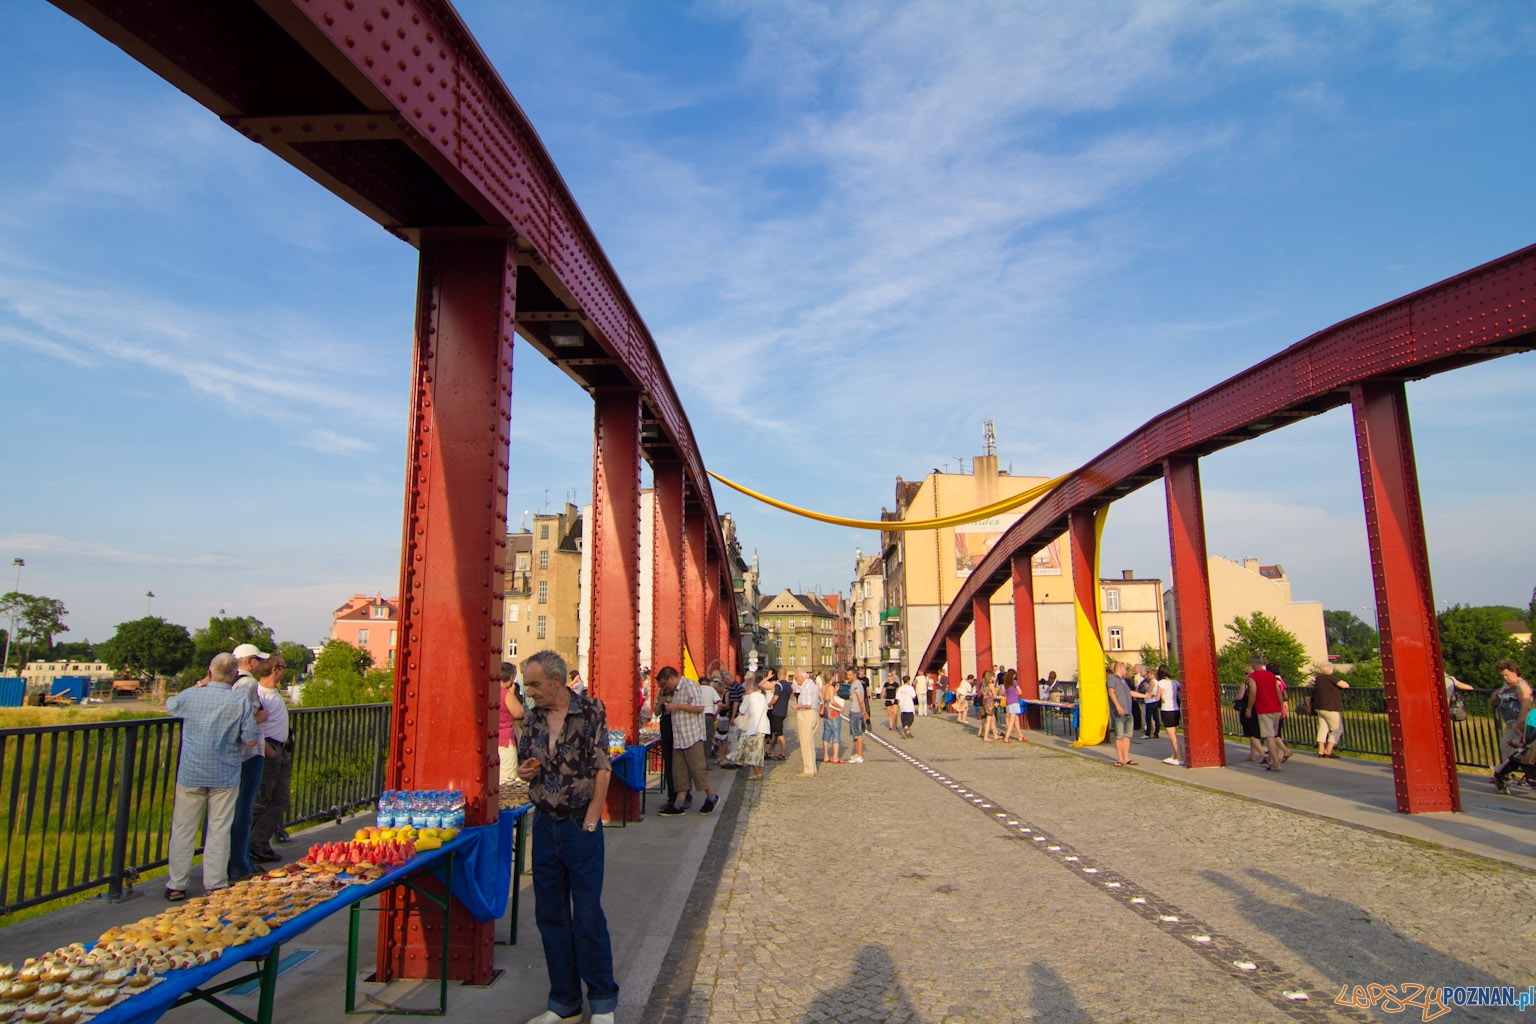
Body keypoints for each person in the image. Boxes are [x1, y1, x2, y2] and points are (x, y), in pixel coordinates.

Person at [516, 650, 618, 1024]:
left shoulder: (590, 711)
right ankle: (564, 1003)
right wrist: (525, 771)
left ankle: (603, 1002)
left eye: (535, 685)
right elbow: (525, 759)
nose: (529, 692)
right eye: (527, 685)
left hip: (579, 825)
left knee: (587, 915)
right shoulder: (533, 717)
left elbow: (602, 767)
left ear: (556, 681)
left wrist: (592, 818)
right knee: (550, 916)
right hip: (545, 824)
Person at [164, 654, 259, 900]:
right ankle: (215, 883)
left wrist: (199, 684)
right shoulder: (239, 702)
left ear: (209, 672)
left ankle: (177, 883)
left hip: (192, 771)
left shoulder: (191, 696)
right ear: (234, 675)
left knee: (183, 828)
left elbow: (170, 706)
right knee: (219, 828)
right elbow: (250, 740)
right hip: (225, 773)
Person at [227, 642, 269, 881]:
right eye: (258, 660)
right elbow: (241, 715)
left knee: (228, 811)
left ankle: (229, 860)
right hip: (249, 753)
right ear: (250, 662)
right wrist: (260, 717)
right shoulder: (248, 683)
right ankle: (240, 863)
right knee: (244, 810)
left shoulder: (228, 682)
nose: (260, 664)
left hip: (230, 754)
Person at [247, 655, 294, 864]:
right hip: (270, 750)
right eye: (283, 667)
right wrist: (267, 749)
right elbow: (253, 723)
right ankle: (253, 845)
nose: (285, 671)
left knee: (281, 798)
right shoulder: (258, 693)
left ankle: (259, 842)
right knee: (263, 799)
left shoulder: (274, 692)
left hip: (281, 749)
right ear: (276, 669)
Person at [657, 668, 717, 815]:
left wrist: (677, 706)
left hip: (692, 736)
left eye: (664, 684)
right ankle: (678, 804)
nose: (664, 688)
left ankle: (711, 797)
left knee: (698, 770)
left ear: (671, 679)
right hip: (679, 738)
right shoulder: (674, 691)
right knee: (680, 773)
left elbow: (699, 707)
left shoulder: (690, 685)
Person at [728, 677, 773, 780]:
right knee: (757, 751)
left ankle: (757, 773)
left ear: (748, 689)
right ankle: (758, 772)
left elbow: (742, 710)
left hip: (753, 728)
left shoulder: (749, 698)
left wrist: (744, 699)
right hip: (762, 727)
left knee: (751, 751)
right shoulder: (761, 696)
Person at [1247, 657, 1286, 771]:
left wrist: (1249, 708)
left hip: (1263, 709)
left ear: (1253, 664)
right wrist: (1280, 706)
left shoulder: (1253, 677)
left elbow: (1253, 692)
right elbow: (1279, 692)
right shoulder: (1271, 676)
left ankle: (1275, 763)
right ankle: (1272, 759)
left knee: (1269, 737)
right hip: (1276, 708)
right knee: (1274, 735)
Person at [1492, 659, 1533, 769]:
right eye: (1503, 676)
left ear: (1514, 672)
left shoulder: (1521, 687)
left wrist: (1520, 724)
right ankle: (1505, 772)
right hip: (1510, 723)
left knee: (1519, 749)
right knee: (1506, 747)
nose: (1505, 678)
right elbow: (1502, 691)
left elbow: (1526, 706)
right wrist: (1495, 694)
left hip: (1518, 722)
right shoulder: (1507, 685)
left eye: (1507, 675)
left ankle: (1508, 771)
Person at [496, 662, 527, 788]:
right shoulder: (505, 694)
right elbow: (519, 712)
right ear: (511, 678)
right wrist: (513, 694)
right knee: (507, 777)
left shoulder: (489, 691)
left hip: (492, 740)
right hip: (505, 739)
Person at [1310, 671, 1348, 758]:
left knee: (1323, 728)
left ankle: (1321, 749)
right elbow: (1345, 685)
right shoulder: (1331, 678)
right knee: (1337, 729)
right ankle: (1328, 750)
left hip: (1319, 706)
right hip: (1330, 707)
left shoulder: (1318, 679)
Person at [1106, 662, 1136, 766]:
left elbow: (1130, 693)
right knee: (1119, 735)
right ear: (1120, 668)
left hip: (1128, 711)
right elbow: (1111, 692)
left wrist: (1146, 696)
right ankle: (1120, 758)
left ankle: (1126, 758)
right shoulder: (1112, 679)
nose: (1126, 671)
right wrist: (1118, 706)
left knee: (1127, 735)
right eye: (1125, 669)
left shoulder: (1123, 680)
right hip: (1119, 712)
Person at [1233, 671, 1265, 763]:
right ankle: (1252, 755)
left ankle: (1262, 754)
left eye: (1246, 673)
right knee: (1255, 731)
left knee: (1251, 733)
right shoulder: (1260, 684)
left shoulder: (1246, 684)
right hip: (1258, 708)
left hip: (1247, 708)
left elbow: (1240, 697)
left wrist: (1236, 700)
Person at [793, 670, 820, 776]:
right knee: (809, 742)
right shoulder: (811, 684)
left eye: (796, 678)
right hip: (812, 714)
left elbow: (807, 704)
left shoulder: (807, 687)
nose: (796, 680)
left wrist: (797, 706)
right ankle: (812, 768)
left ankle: (809, 770)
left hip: (806, 715)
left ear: (801, 677)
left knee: (806, 743)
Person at [1155, 666, 1182, 766]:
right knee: (1174, 734)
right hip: (1176, 709)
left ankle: (1179, 757)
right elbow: (1180, 689)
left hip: (1167, 709)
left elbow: (1157, 697)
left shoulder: (1161, 683)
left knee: (1172, 736)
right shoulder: (1175, 682)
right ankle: (1173, 756)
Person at [844, 669, 868, 764]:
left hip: (856, 711)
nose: (848, 676)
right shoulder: (853, 684)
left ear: (854, 675)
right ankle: (857, 753)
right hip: (853, 711)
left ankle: (860, 756)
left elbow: (860, 700)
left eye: (850, 675)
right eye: (847, 675)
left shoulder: (857, 685)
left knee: (858, 734)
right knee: (854, 734)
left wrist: (864, 712)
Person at [820, 674, 844, 764]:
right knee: (836, 734)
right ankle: (835, 757)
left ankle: (826, 756)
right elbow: (832, 701)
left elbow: (825, 699)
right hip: (833, 713)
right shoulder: (830, 687)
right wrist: (840, 707)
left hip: (826, 712)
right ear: (831, 677)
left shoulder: (823, 687)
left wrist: (835, 691)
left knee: (826, 734)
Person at [767, 670, 790, 761]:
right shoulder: (788, 685)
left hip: (777, 711)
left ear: (778, 675)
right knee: (775, 733)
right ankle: (770, 751)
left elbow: (776, 697)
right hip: (784, 710)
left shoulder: (778, 685)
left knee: (779, 733)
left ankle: (783, 753)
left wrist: (770, 704)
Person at [1002, 669, 1026, 742]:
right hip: (1014, 701)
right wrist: (1015, 693)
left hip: (1008, 701)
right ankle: (1007, 737)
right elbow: (1020, 692)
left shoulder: (1006, 683)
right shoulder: (1014, 682)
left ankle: (1020, 735)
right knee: (1012, 720)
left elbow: (1004, 692)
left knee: (1016, 719)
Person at [1137, 666, 1161, 739]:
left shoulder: (1152, 681)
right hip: (1154, 701)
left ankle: (1148, 733)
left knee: (1148, 718)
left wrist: (1145, 686)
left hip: (1150, 701)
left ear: (1152, 674)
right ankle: (1156, 732)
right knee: (1156, 717)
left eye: (1149, 674)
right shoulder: (1157, 681)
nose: (1148, 676)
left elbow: (1149, 691)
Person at [977, 670, 999, 742]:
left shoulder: (984, 684)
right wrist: (996, 690)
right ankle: (986, 737)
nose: (994, 678)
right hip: (990, 703)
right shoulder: (991, 685)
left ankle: (995, 735)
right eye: (993, 676)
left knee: (992, 719)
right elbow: (994, 696)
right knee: (989, 720)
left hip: (985, 702)